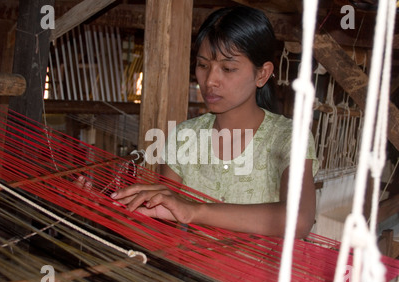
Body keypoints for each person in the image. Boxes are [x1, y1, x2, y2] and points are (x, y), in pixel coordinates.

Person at [104, 5, 318, 238]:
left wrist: (194, 211)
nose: (210, 81)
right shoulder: (185, 138)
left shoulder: (287, 138)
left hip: (263, 273)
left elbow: (298, 220)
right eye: (203, 65)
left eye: (228, 68)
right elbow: (161, 225)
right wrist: (99, 203)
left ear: (262, 74)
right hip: (189, 272)